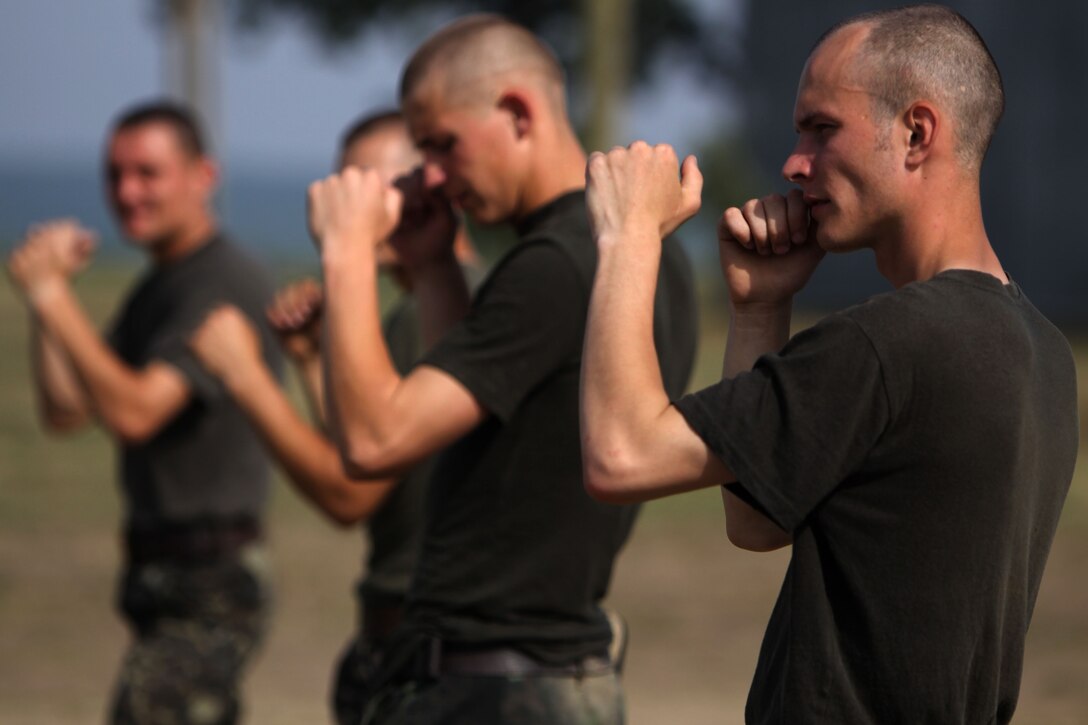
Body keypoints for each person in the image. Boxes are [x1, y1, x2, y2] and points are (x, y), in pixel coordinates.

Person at [579, 5, 1078, 724]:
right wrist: (759, 311)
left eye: (821, 129)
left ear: (916, 133)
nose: (793, 162)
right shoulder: (1040, 349)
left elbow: (620, 457)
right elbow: (757, 522)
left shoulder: (893, 342)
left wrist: (626, 238)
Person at [306, 14, 697, 724]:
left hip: (497, 689)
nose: (432, 175)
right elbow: (490, 423)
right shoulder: (641, 253)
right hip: (553, 675)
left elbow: (371, 441)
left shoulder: (553, 264)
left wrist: (345, 251)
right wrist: (430, 268)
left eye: (442, 144)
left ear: (517, 111)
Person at [187, 109, 481, 725]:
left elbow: (349, 494)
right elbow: (378, 458)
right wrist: (314, 363)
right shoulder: (467, 294)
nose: (341, 201)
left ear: (429, 182)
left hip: (418, 648)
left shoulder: (421, 317)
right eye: (339, 182)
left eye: (364, 183)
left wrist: (246, 375)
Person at [6, 101, 281, 724]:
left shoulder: (222, 282)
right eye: (115, 174)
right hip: (159, 576)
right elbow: (68, 408)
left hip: (212, 579)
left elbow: (134, 414)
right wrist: (51, 309)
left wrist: (54, 298)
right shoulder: (160, 283)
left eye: (147, 173)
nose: (127, 192)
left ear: (202, 176)